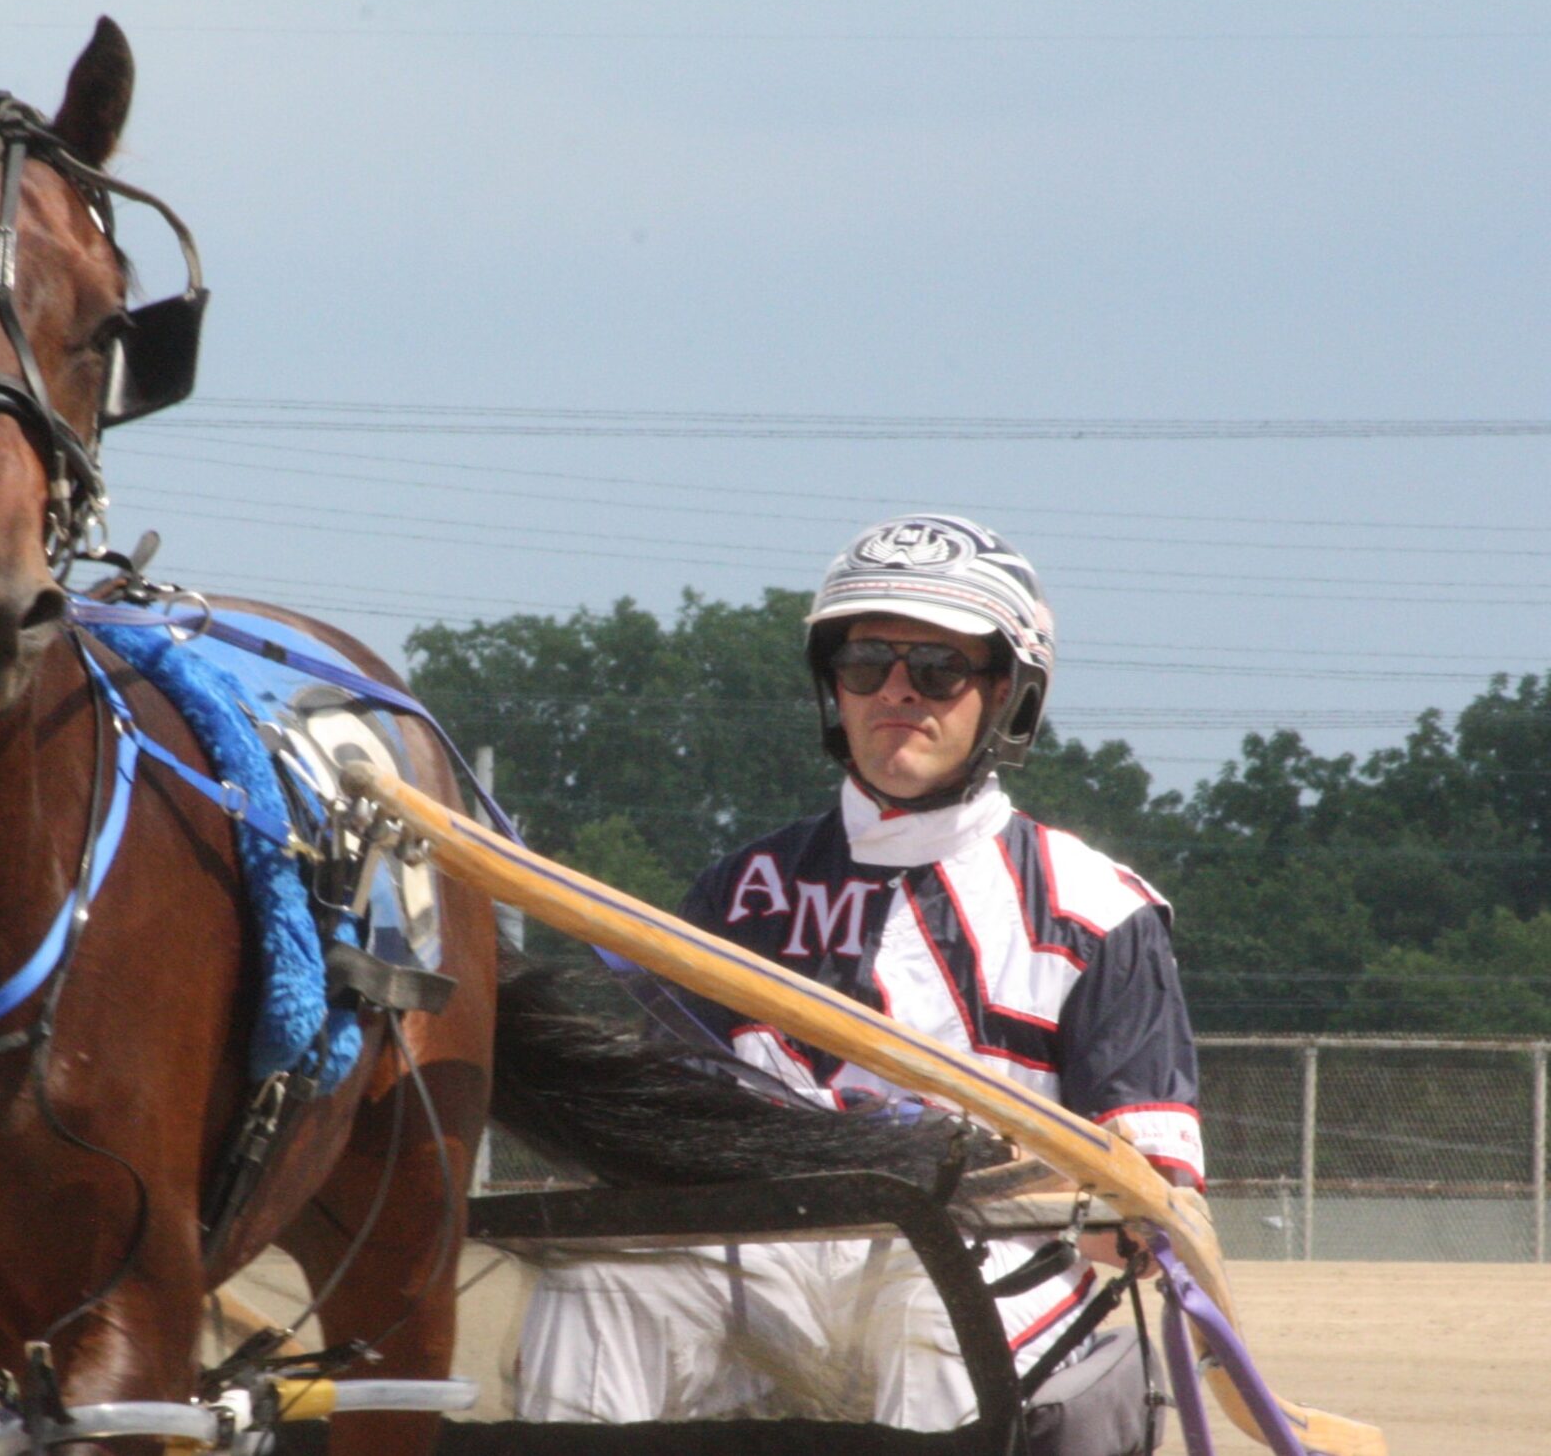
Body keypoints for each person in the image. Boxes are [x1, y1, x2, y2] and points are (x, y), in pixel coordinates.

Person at [514, 513, 1204, 1435]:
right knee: (601, 1283)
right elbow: (668, 1131)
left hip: (983, 1251)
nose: (896, 692)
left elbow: (1148, 1208)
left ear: (1008, 692)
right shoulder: (742, 888)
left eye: (937, 669)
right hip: (767, 1246)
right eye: (865, 662)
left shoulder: (1098, 909)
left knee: (926, 1320)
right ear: (830, 688)